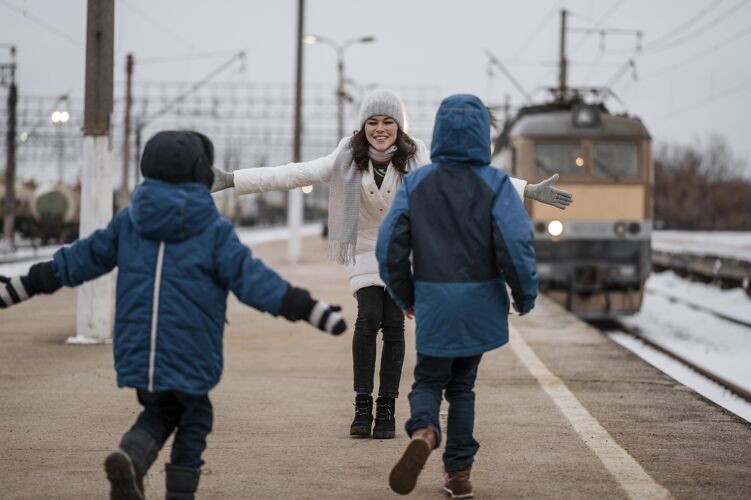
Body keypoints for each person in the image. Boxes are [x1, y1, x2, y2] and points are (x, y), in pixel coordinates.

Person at [0, 130, 347, 500]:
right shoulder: (213, 230)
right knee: (196, 417)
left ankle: (132, 455)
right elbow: (255, 282)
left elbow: (76, 262)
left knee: (161, 410)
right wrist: (311, 310)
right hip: (191, 349)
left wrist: (20, 286)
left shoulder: (128, 222)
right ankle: (177, 493)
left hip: (138, 351)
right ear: (201, 172)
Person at [210, 89, 568, 440]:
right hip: (365, 248)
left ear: (399, 126)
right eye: (372, 121)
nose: (379, 129)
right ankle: (362, 404)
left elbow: (472, 177)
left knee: (394, 325)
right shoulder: (344, 158)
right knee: (368, 318)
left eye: (388, 121)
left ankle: (386, 408)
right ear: (363, 126)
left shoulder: (419, 159)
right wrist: (231, 180)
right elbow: (293, 174)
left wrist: (528, 190)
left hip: (402, 249)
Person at [376, 94, 539, 498]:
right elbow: (516, 244)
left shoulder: (418, 182)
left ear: (440, 132)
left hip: (433, 300)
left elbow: (388, 246)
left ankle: (426, 430)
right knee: (463, 387)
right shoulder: (496, 183)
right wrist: (525, 295)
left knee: (429, 380)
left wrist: (405, 294)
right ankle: (459, 473)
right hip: (481, 303)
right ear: (484, 134)